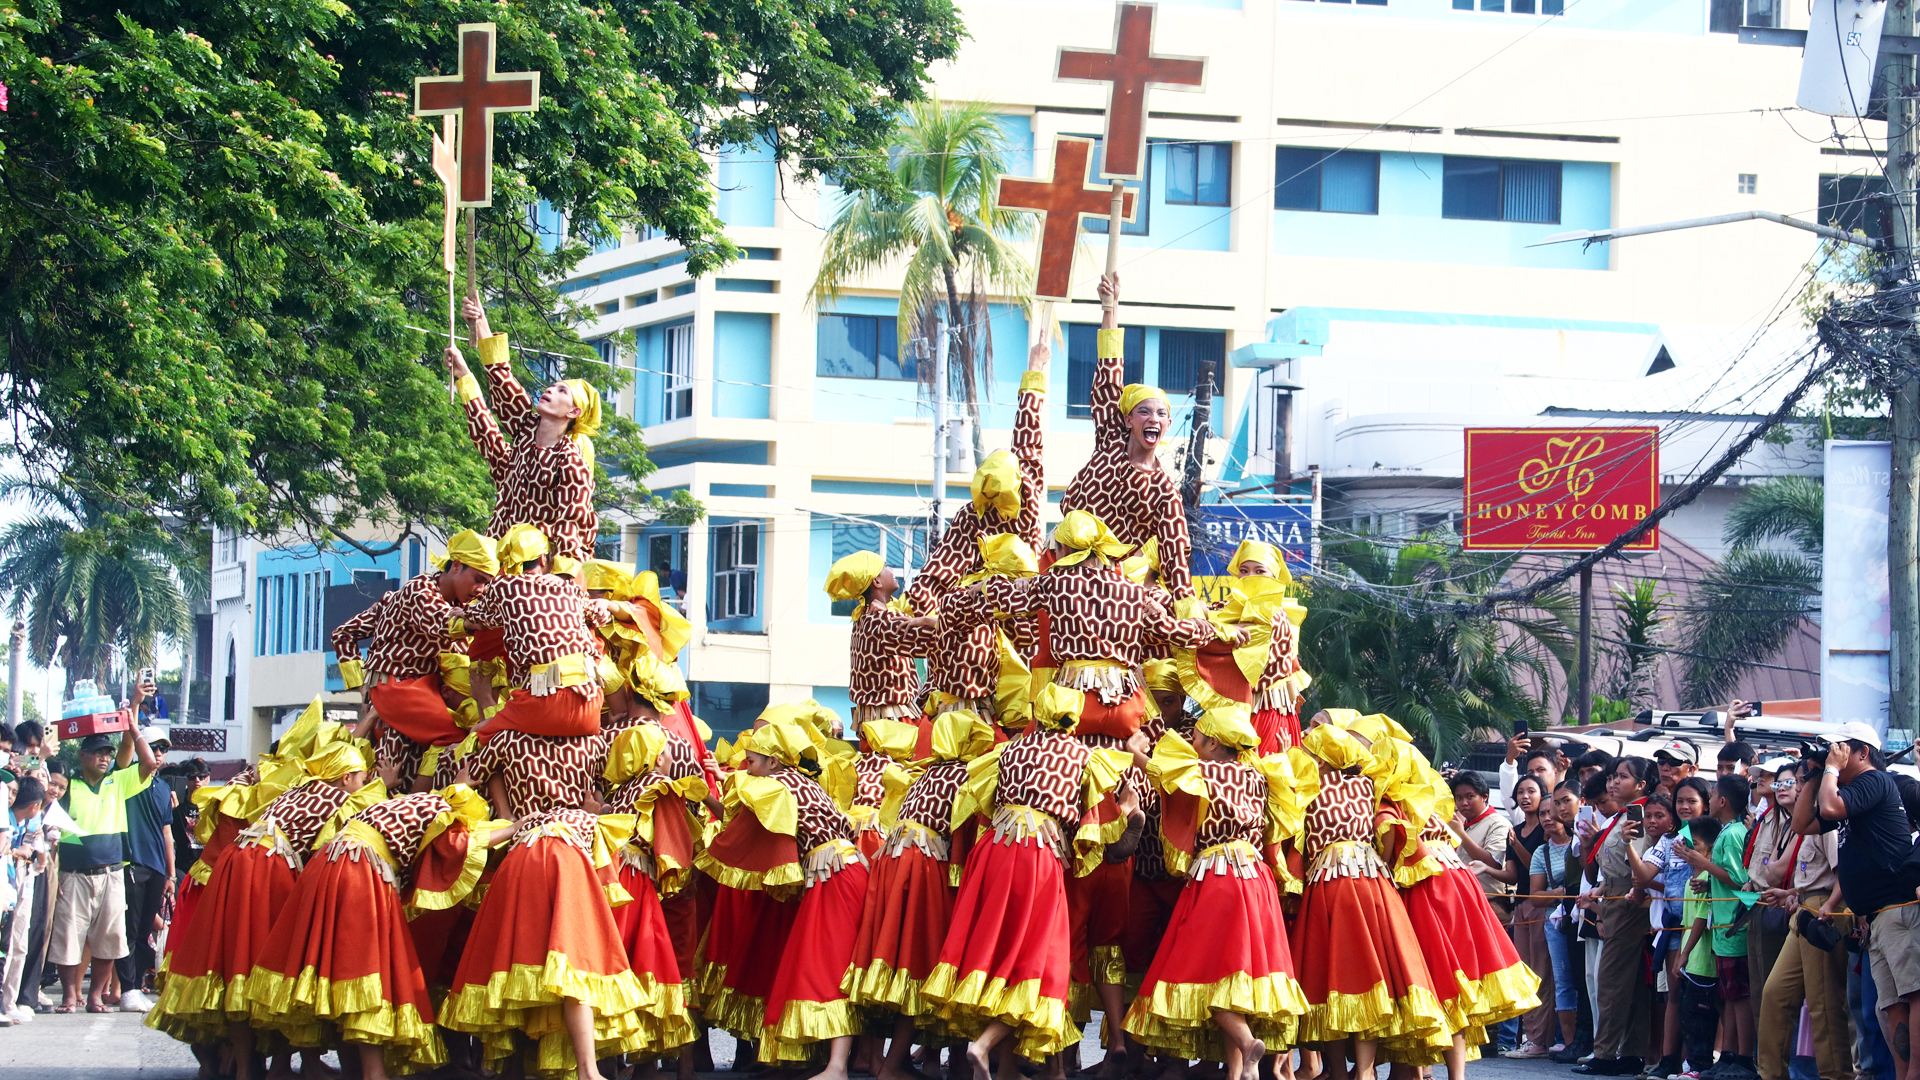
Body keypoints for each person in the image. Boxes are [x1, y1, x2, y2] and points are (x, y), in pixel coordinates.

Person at [921, 683, 1142, 1073]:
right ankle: (986, 1044)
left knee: (994, 954)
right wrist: (1125, 810)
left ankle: (1004, 1068)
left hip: (994, 851)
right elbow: (1097, 832)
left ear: (1037, 716)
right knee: (1036, 964)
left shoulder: (1005, 751)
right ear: (1073, 721)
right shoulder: (1084, 756)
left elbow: (982, 804)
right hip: (1037, 858)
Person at [246, 783, 506, 1080]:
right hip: (358, 871)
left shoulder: (407, 804)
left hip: (327, 865)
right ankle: (373, 1074)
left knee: (336, 979)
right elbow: (462, 843)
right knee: (365, 977)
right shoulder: (439, 811)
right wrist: (515, 826)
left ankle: (354, 1073)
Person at [1123, 705, 1307, 1080]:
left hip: (1217, 878)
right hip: (1256, 878)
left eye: (1197, 737)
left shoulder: (1200, 771)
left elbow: (1155, 770)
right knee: (1239, 975)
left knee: (1204, 972)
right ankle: (1241, 1070)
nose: (1192, 742)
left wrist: (1132, 749)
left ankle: (1244, 1038)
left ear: (1212, 742)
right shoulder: (1258, 775)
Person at [845, 710, 997, 1080]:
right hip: (926, 868)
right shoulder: (965, 775)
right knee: (924, 966)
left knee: (894, 963)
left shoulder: (927, 772)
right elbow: (963, 839)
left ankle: (883, 1060)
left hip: (894, 862)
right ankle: (897, 1066)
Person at [1290, 721, 1447, 1080]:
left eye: (1311, 753)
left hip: (1328, 885)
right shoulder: (1367, 785)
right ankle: (1364, 1071)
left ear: (1323, 759)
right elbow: (1391, 825)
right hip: (1372, 882)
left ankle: (1340, 1073)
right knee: (1376, 976)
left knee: (1330, 978)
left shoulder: (1307, 789)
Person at [1057, 273, 1195, 599]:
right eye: (1145, 411)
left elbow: (1176, 559)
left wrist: (1190, 612)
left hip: (1108, 588)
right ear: (1129, 418)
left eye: (1161, 414)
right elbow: (1107, 373)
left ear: (1168, 424)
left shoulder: (1164, 493)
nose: (1153, 419)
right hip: (1059, 563)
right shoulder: (1110, 438)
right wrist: (1111, 307)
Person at [1793, 723, 1917, 1080]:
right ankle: (1903, 1073)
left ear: (1863, 752)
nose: (1834, 754)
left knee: (1913, 996)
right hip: (1877, 918)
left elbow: (1830, 809)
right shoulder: (1846, 789)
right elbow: (1802, 823)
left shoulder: (1875, 781)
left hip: (1898, 910)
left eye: (1840, 747)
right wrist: (1816, 773)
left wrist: (1831, 770)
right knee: (1889, 1006)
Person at [331, 529, 500, 790]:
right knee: (453, 736)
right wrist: (361, 688)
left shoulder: (398, 600)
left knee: (400, 767)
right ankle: (416, 805)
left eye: (488, 583)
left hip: (422, 694)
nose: (482, 589)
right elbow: (444, 624)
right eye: (478, 579)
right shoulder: (418, 591)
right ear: (455, 566)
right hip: (399, 689)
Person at [448, 297, 602, 565]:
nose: (550, 390)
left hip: (538, 575)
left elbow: (571, 531)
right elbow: (501, 381)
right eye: (552, 386)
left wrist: (557, 584)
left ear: (574, 412)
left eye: (562, 390)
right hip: (496, 563)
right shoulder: (526, 431)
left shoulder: (570, 463)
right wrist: (478, 322)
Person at [51, 678, 160, 1014]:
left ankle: (96, 995)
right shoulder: (69, 787)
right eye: (97, 752)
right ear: (82, 755)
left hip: (112, 873)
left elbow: (148, 763)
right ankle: (71, 995)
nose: (104, 758)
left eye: (108, 753)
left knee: (108, 940)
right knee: (69, 938)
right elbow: (53, 829)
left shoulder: (118, 781)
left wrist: (133, 722)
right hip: (74, 874)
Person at [1756, 759, 1849, 1080]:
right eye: (1796, 781)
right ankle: (1770, 1074)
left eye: (1801, 781)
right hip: (1804, 907)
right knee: (1775, 994)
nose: (1796, 787)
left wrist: (1829, 907)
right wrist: (1792, 893)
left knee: (1824, 1003)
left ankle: (1836, 1075)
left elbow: (1841, 876)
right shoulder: (1803, 824)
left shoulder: (1826, 819)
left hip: (1823, 910)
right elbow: (1812, 875)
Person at [1577, 756, 1657, 1077]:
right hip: (1610, 892)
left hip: (1626, 897)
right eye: (1612, 777)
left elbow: (1634, 861)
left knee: (1611, 979)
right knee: (1631, 981)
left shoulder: (1636, 814)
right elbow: (1603, 862)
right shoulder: (1620, 815)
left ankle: (1605, 1054)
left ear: (1641, 785)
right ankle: (1631, 1050)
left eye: (1622, 777)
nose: (1613, 783)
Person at [1677, 773, 1757, 1080]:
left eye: (1711, 796)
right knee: (1729, 997)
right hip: (1723, 930)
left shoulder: (1734, 833)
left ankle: (1743, 1058)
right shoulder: (1727, 832)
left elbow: (1740, 880)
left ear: (1722, 801)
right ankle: (1729, 1056)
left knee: (1740, 996)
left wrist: (1703, 862)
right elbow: (1723, 878)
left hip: (1734, 927)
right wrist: (1707, 882)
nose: (1708, 801)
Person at [117, 724, 176, 1011]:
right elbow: (127, 749)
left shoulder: (164, 788)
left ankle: (136, 985)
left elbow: (167, 833)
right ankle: (127, 988)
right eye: (154, 747)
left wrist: (171, 874)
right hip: (132, 862)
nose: (159, 753)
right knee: (128, 930)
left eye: (164, 748)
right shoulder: (127, 777)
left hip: (156, 866)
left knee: (143, 933)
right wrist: (133, 716)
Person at [1531, 781, 1581, 1058]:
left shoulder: (1580, 842)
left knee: (1584, 978)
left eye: (1554, 810)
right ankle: (1570, 1042)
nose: (1548, 817)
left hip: (1582, 917)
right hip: (1556, 922)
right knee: (1563, 980)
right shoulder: (1542, 852)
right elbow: (1535, 896)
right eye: (1543, 813)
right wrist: (1560, 892)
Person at [1678, 817, 1728, 1080]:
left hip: (1704, 964)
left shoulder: (1709, 878)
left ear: (1710, 850)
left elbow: (1701, 918)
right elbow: (1685, 924)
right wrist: (1680, 955)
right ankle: (1693, 1063)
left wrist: (1684, 955)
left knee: (1700, 1017)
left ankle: (1700, 1065)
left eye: (1694, 845)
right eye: (1685, 844)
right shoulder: (1691, 880)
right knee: (1687, 1014)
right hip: (1690, 963)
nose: (1687, 850)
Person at [1448, 771, 1514, 919]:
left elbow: (1493, 862)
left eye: (1470, 797)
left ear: (1484, 797)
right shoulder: (1464, 824)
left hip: (1491, 905)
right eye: (1459, 798)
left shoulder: (1498, 823)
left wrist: (1461, 834)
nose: (1464, 802)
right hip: (1465, 903)